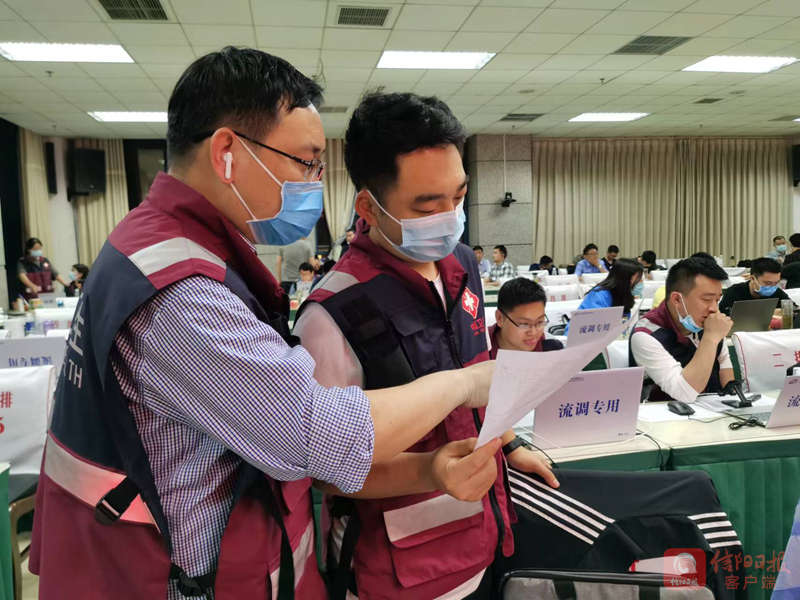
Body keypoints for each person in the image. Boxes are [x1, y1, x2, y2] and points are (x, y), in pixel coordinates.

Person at [30, 48, 498, 600]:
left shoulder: (165, 247)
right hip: (183, 576)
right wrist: (464, 384)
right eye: (305, 162)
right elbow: (319, 435)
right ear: (227, 153)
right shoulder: (182, 294)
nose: (313, 183)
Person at [295, 91, 557, 600]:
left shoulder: (462, 265)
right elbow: (326, 471)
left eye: (458, 197)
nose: (450, 216)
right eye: (427, 205)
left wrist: (509, 445)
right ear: (369, 207)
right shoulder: (334, 312)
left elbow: (478, 371)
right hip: (399, 566)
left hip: (484, 530)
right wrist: (431, 471)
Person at [630, 257, 734, 403]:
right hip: (668, 413)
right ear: (677, 300)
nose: (714, 309)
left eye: (717, 300)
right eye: (706, 299)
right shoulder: (646, 335)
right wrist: (710, 338)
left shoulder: (708, 321)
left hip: (712, 410)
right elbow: (685, 393)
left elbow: (727, 378)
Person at [565, 258, 643, 334]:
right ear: (626, 278)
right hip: (580, 337)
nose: (639, 282)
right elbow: (594, 327)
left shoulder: (623, 294)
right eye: (637, 278)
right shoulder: (599, 295)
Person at [490, 278, 562, 356]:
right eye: (524, 324)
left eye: (540, 322)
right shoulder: (481, 350)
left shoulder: (551, 349)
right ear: (500, 318)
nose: (533, 332)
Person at [719, 257, 790, 316]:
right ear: (752, 278)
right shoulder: (734, 292)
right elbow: (722, 316)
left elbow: (792, 309)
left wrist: (784, 311)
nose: (772, 287)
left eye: (776, 283)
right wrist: (767, 313)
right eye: (768, 283)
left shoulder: (777, 292)